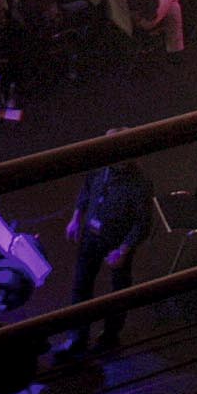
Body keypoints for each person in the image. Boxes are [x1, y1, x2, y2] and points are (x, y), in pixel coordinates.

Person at [56, 145, 152, 357]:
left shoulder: (140, 183)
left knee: (119, 290)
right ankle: (77, 336)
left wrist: (123, 250)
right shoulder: (99, 167)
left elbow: (143, 223)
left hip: (117, 243)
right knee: (81, 285)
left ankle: (110, 335)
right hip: (91, 235)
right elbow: (86, 190)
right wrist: (76, 218)